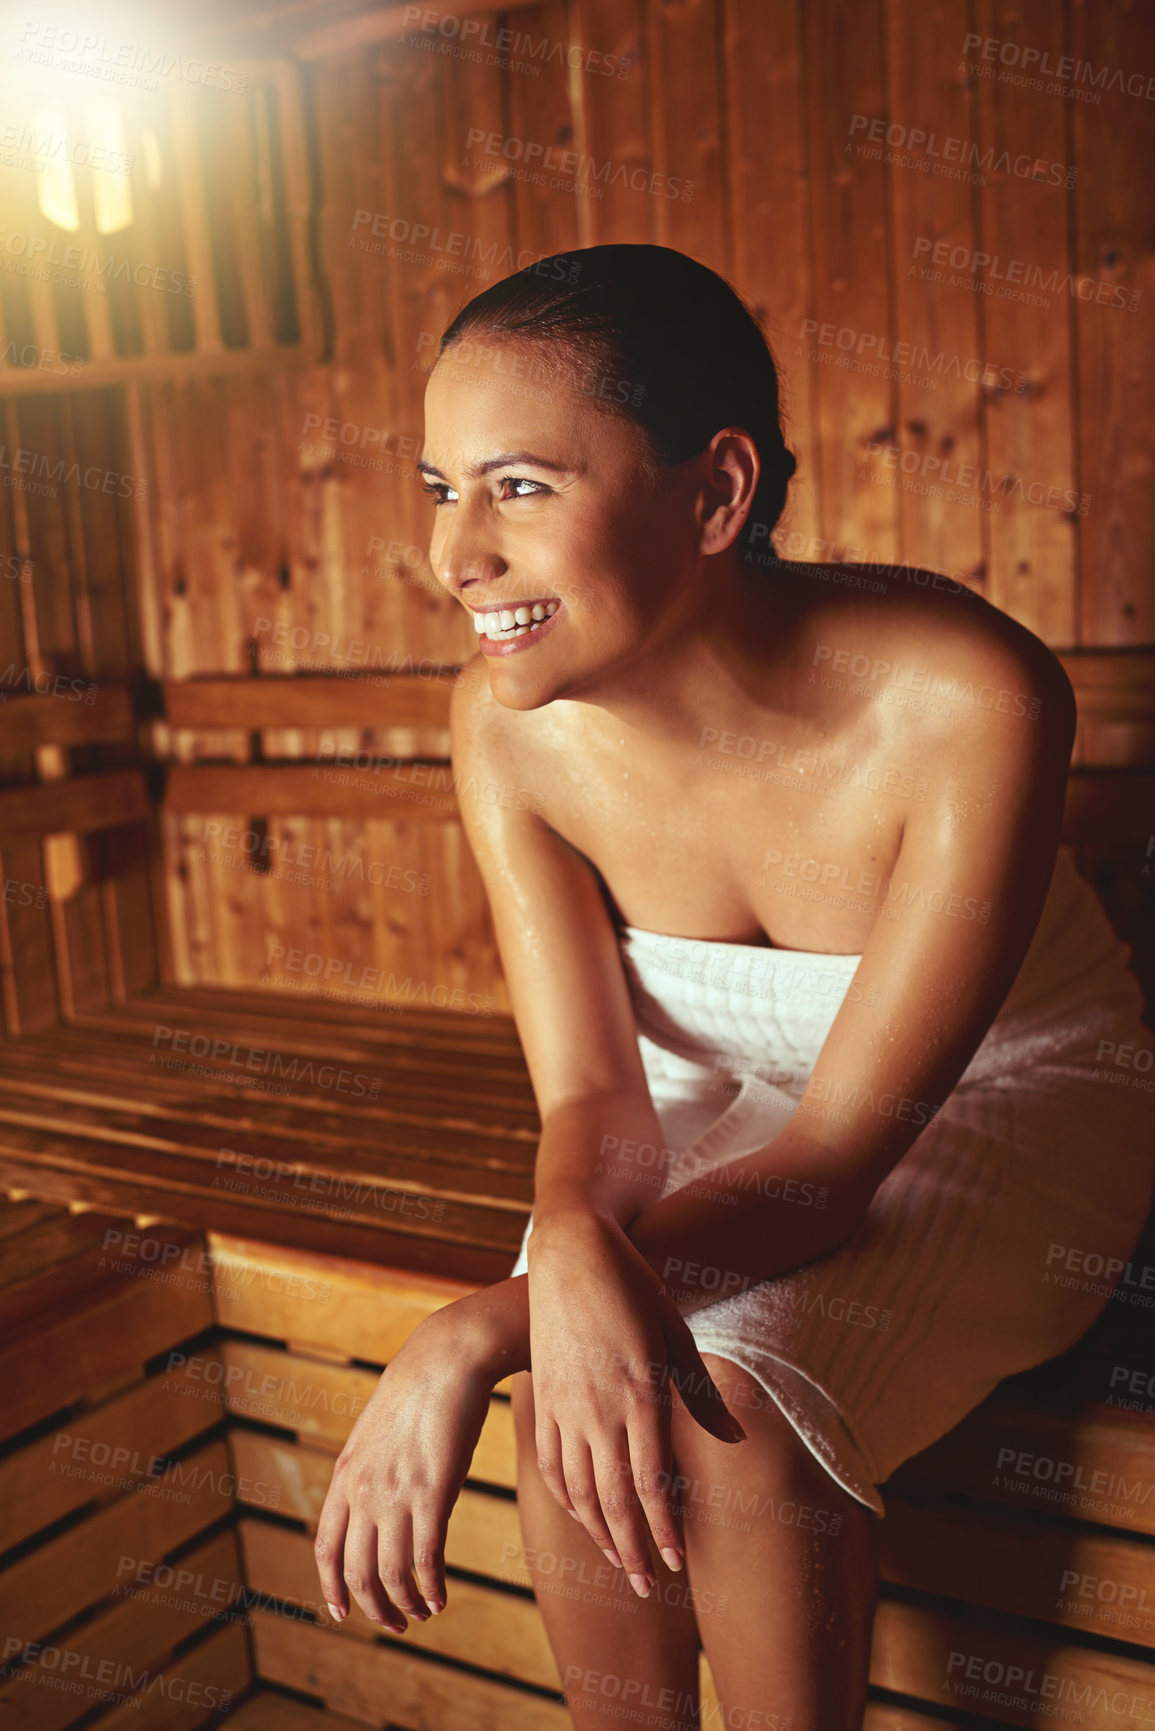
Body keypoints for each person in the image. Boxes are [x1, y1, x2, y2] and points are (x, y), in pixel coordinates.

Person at [314, 244, 1154, 1730]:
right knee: (593, 1391)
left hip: (999, 1096)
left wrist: (472, 1331)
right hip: (697, 1095)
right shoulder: (510, 728)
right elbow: (593, 1095)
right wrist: (569, 1246)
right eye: (443, 490)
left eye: (519, 487)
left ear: (715, 493)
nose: (455, 557)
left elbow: (830, 1165)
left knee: (728, 1397)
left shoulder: (968, 698)